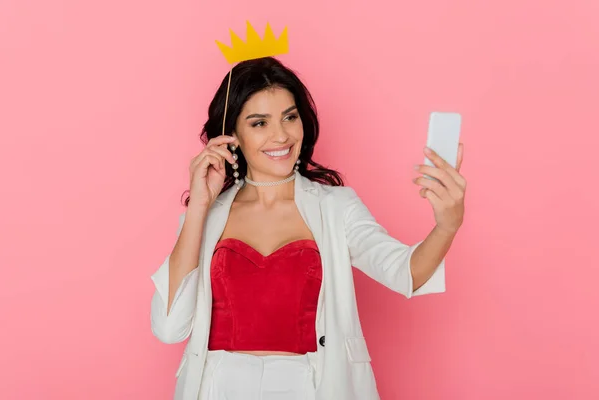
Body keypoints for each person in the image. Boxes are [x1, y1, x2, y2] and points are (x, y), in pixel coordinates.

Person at [150, 56, 466, 400]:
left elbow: (407, 272)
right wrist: (199, 206)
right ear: (232, 136)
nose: (281, 135)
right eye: (259, 123)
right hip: (219, 387)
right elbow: (168, 327)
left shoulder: (336, 207)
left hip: (310, 387)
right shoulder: (205, 216)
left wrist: (447, 225)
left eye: (290, 117)